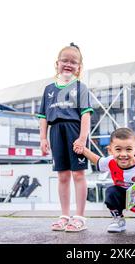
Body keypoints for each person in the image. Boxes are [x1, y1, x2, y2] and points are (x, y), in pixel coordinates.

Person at [37, 42, 94, 232]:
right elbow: (43, 117)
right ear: (57, 63)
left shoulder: (81, 87)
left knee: (78, 174)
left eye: (73, 62)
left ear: (79, 67)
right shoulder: (48, 89)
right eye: (65, 60)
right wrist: (43, 138)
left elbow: (86, 114)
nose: (68, 64)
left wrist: (82, 138)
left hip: (74, 130)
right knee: (62, 175)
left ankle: (79, 217)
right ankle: (64, 215)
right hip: (56, 132)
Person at [74, 127, 135, 234]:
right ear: (110, 150)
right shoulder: (111, 161)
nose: (123, 154)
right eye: (118, 149)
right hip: (121, 197)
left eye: (128, 149)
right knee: (110, 191)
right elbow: (97, 161)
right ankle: (119, 220)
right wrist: (83, 149)